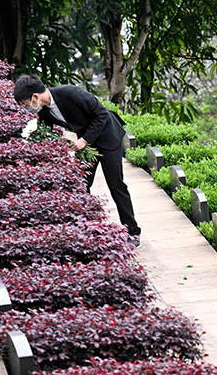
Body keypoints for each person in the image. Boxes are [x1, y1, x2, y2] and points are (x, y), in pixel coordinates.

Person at [13, 74, 141, 247]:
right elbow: (46, 134)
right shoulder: (44, 111)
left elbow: (102, 114)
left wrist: (84, 140)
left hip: (108, 137)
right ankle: (91, 228)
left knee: (116, 184)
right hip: (87, 146)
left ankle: (133, 232)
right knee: (81, 184)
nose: (26, 108)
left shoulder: (70, 93)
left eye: (24, 103)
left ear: (34, 96)